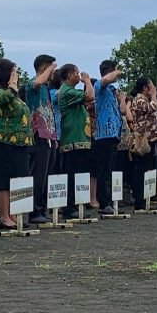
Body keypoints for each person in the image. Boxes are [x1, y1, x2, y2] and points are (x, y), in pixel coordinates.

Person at [0, 59, 33, 228]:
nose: (16, 75)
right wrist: (12, 86)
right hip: (4, 141)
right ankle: (4, 216)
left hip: (21, 142)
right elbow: (1, 102)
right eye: (13, 72)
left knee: (18, 178)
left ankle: (14, 214)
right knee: (4, 179)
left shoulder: (16, 94)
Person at [23, 55, 58, 224]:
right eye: (51, 68)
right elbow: (36, 83)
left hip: (49, 135)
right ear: (44, 68)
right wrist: (50, 69)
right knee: (38, 173)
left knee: (47, 174)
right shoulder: (33, 84)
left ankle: (42, 207)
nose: (54, 73)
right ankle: (34, 210)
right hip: (38, 134)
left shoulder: (46, 89)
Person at [57, 64, 95, 219]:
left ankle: (77, 205)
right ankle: (68, 207)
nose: (79, 76)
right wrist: (88, 82)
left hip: (80, 139)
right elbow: (90, 96)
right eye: (77, 73)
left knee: (80, 174)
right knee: (72, 174)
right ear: (69, 75)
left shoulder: (71, 92)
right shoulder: (66, 91)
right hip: (72, 139)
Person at [92, 60, 122, 215]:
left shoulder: (111, 90)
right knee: (103, 170)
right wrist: (116, 72)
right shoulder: (99, 85)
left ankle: (108, 200)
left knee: (109, 170)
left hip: (113, 135)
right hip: (104, 134)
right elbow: (104, 80)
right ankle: (103, 203)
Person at [129, 78, 157, 210]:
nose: (153, 87)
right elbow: (152, 108)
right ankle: (139, 201)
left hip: (149, 139)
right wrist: (154, 96)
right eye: (151, 85)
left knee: (146, 169)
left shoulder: (144, 99)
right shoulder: (140, 100)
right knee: (141, 170)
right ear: (145, 88)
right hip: (142, 140)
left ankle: (145, 199)